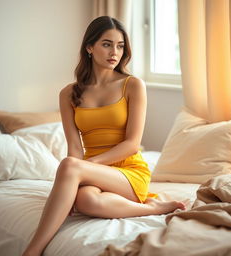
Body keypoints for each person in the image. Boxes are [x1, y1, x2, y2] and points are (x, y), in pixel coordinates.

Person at [22, 16, 185, 256]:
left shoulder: (132, 85)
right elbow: (75, 149)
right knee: (86, 202)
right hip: (92, 172)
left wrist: (83, 168)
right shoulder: (68, 93)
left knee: (70, 166)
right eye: (107, 44)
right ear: (89, 47)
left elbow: (131, 144)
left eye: (120, 46)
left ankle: (32, 251)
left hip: (129, 172)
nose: (115, 52)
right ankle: (151, 208)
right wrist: (80, 173)